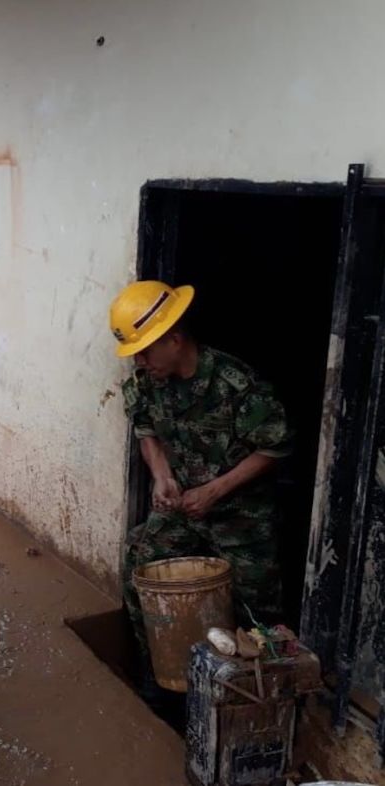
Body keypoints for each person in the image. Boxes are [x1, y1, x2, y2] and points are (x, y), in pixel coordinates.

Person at [111, 280, 291, 673]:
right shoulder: (147, 384)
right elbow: (147, 432)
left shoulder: (235, 385)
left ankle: (249, 697)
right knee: (139, 555)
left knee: (257, 614)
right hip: (184, 506)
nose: (139, 362)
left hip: (240, 514)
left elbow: (274, 448)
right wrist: (161, 477)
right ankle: (158, 671)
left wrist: (215, 490)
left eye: (143, 352)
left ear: (174, 340)